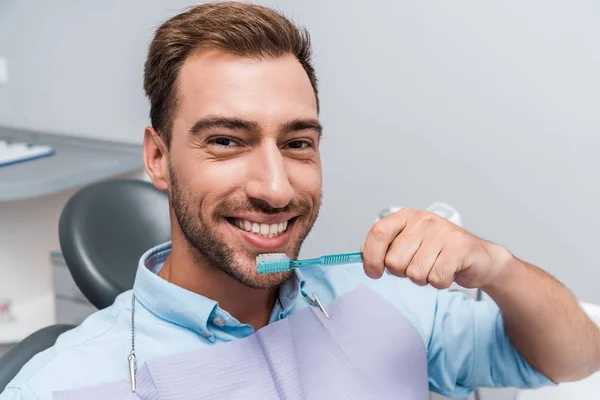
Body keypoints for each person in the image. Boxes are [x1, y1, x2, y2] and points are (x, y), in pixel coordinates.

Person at [2, 2, 599, 399]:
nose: (276, 187)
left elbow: (575, 359)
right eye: (227, 141)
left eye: (297, 143)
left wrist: (496, 267)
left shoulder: (395, 305)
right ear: (158, 158)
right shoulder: (65, 385)